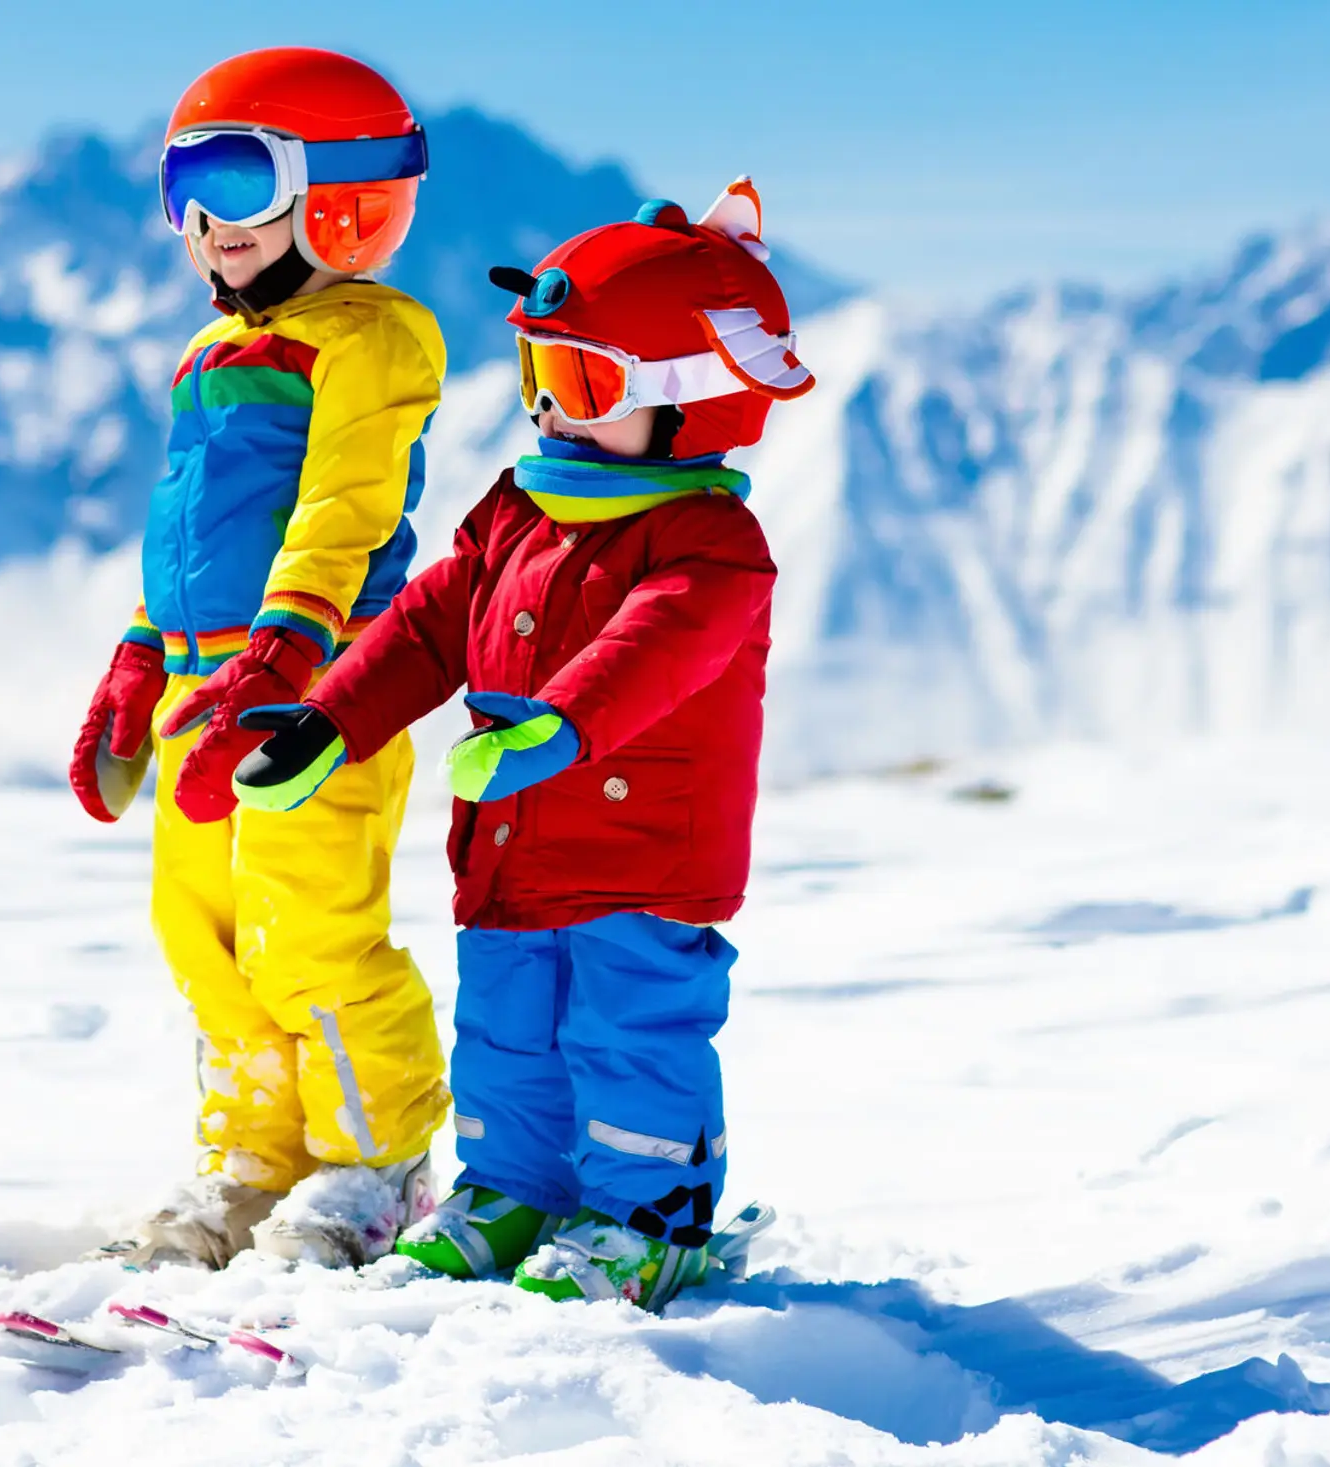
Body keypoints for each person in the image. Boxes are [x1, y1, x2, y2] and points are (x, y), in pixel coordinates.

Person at [225, 181, 816, 1308]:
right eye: (539, 375)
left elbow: (656, 648)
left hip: (641, 864)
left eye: (583, 383)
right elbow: (428, 623)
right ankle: (511, 1188)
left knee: (625, 1034)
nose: (549, 411)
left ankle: (645, 1217)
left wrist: (558, 726)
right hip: (505, 851)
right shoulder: (517, 509)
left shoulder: (712, 543)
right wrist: (330, 718)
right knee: (505, 1029)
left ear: (698, 403)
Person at [67, 46, 451, 1268]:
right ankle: (252, 1161)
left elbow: (345, 506)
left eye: (236, 180)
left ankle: (371, 1165)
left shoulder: (373, 336)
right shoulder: (209, 351)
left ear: (339, 192)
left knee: (311, 926)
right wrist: (140, 656)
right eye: (183, 185)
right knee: (206, 932)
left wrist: (283, 659)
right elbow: (189, 534)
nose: (205, 224)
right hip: (203, 684)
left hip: (315, 690)